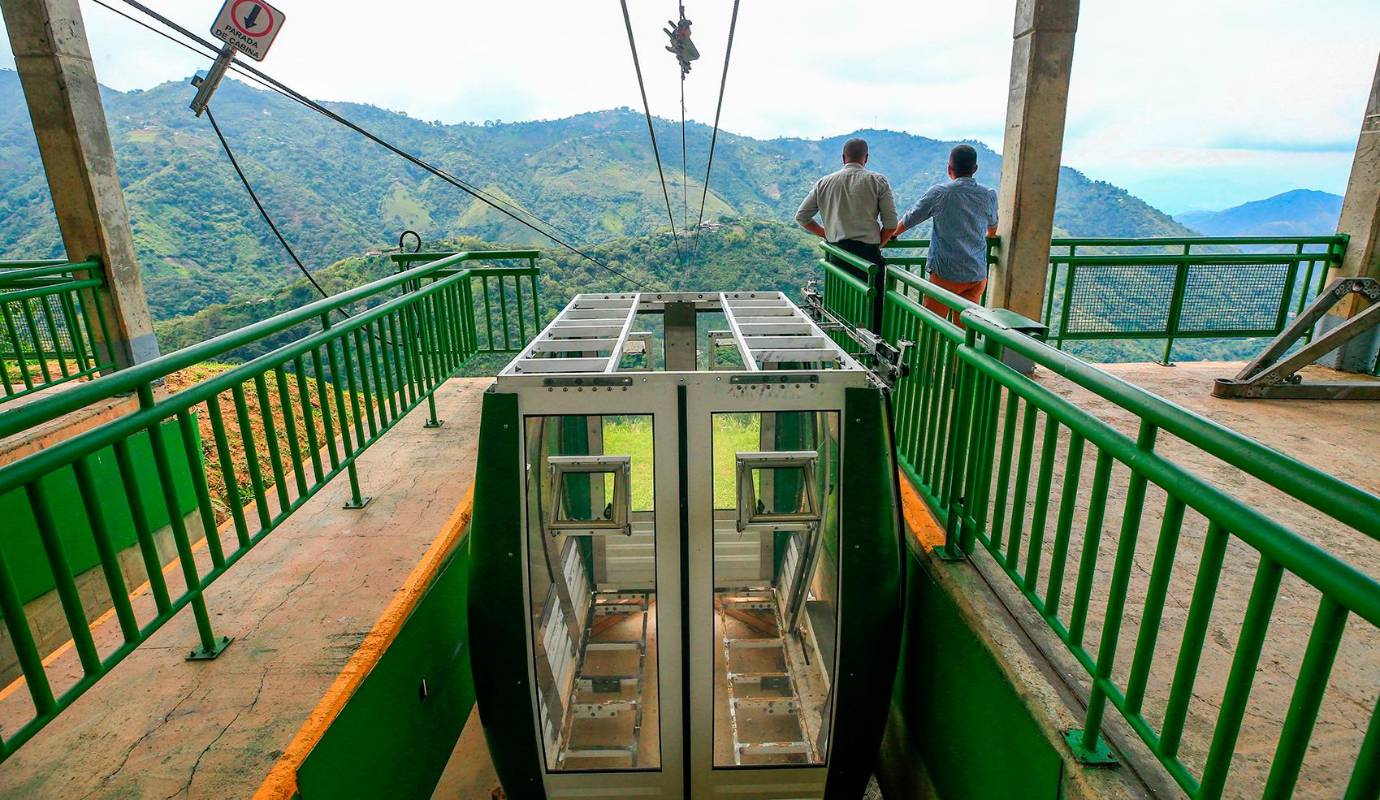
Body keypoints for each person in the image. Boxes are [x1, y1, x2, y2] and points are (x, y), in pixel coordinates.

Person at [794, 138, 898, 324]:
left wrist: (826, 233)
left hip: (837, 254)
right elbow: (890, 224)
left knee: (840, 304)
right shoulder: (877, 181)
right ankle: (872, 342)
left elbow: (802, 217)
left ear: (843, 158)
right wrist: (878, 244)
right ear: (866, 158)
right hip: (868, 257)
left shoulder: (824, 183)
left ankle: (840, 341)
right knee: (871, 306)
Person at [892, 144, 997, 324]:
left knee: (932, 327)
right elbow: (993, 226)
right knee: (965, 333)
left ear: (950, 169)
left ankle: (928, 353)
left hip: (946, 274)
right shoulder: (988, 194)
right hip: (976, 274)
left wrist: (891, 234)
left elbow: (910, 219)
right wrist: (990, 236)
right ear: (975, 169)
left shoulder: (941, 193)